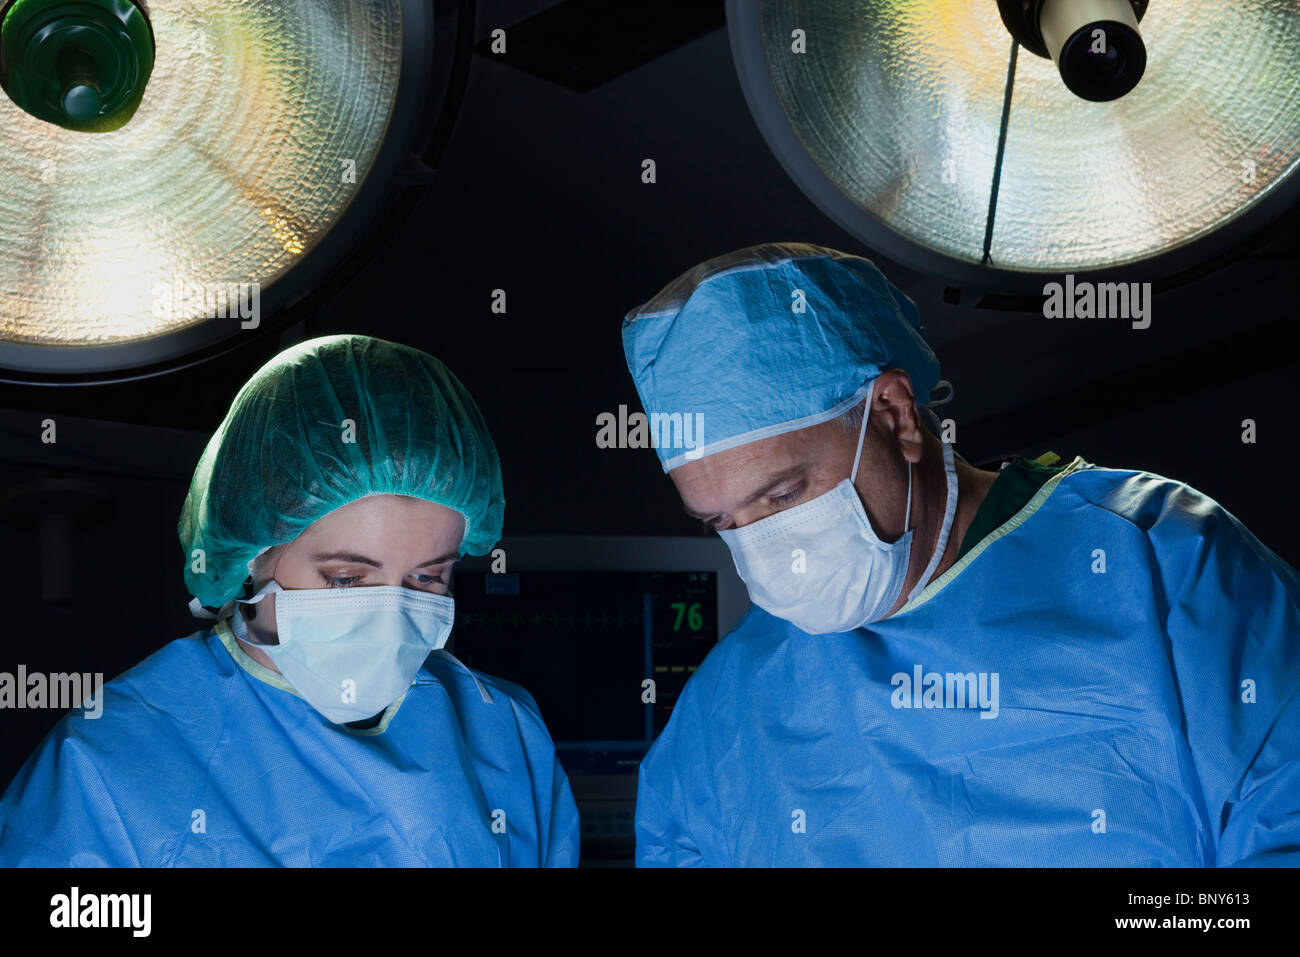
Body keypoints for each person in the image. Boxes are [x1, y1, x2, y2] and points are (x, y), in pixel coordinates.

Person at [621, 241, 1300, 866]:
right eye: (721, 523)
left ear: (893, 413)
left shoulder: (1164, 564)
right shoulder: (729, 706)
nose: (763, 554)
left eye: (782, 495)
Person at [0, 335, 579, 867]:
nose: (391, 616)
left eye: (428, 579)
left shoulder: (503, 737)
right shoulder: (109, 765)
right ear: (251, 556)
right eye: (347, 579)